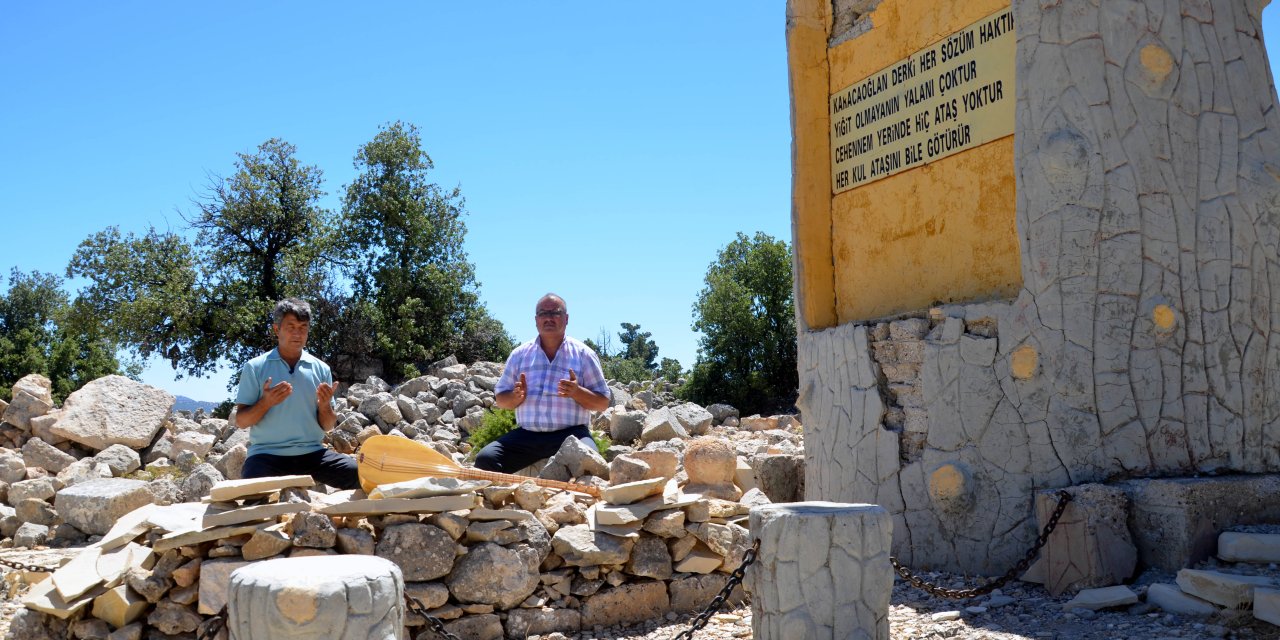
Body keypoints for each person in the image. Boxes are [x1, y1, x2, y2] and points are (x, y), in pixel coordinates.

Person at [475, 293, 611, 472]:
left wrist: (577, 392)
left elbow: (602, 403)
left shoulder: (584, 355)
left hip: (571, 435)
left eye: (555, 313)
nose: (548, 318)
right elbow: (501, 399)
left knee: (590, 463)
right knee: (486, 460)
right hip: (527, 436)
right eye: (542, 313)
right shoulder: (519, 355)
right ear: (536, 319)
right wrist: (515, 397)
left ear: (566, 318)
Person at [234, 298, 360, 490]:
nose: (297, 333)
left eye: (303, 327)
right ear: (277, 330)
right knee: (252, 494)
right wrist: (266, 402)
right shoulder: (255, 367)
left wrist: (325, 405)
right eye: (290, 326)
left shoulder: (320, 369)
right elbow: (242, 421)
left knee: (359, 475)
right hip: (267, 455)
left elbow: (327, 426)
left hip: (312, 454)